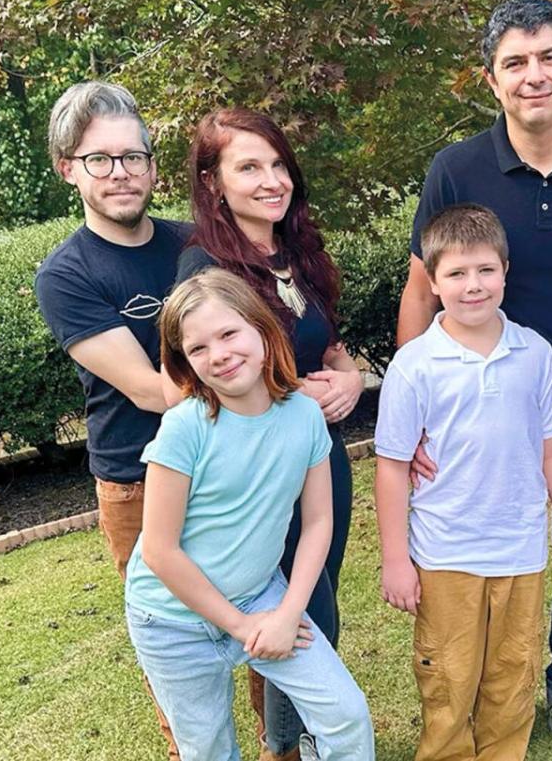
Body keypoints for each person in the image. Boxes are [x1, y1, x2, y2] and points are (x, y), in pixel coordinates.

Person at [396, 0, 552, 760]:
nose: (533, 76)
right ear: (492, 78)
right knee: (468, 568)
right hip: (472, 421)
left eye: (548, 59)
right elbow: (417, 288)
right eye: (515, 63)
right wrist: (416, 418)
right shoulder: (457, 169)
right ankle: (466, 703)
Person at [125, 267, 373, 761]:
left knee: (345, 715)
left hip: (264, 597)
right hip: (172, 623)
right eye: (197, 349)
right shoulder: (183, 430)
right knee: (209, 750)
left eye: (229, 333)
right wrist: (241, 628)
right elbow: (159, 550)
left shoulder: (304, 416)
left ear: (262, 329)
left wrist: (286, 614)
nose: (218, 354)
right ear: (185, 363)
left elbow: (318, 520)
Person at [376, 204, 552, 761]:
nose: (472, 286)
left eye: (484, 271)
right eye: (455, 273)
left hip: (520, 551)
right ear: (431, 280)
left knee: (513, 674)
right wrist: (396, 559)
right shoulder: (415, 365)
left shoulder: (535, 353)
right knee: (448, 677)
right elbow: (392, 466)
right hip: (445, 552)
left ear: (505, 270)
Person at [175, 108, 362, 761]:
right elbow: (194, 380)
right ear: (214, 183)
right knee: (307, 612)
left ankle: (293, 736)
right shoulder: (204, 267)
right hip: (260, 476)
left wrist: (352, 379)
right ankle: (292, 742)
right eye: (249, 167)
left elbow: (329, 348)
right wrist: (288, 393)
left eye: (278, 163)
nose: (272, 179)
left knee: (311, 601)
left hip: (324, 462)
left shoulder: (299, 254)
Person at [34, 80, 187, 760]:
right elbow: (154, 391)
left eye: (133, 156)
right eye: (100, 159)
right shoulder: (66, 274)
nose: (121, 172)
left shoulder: (197, 242)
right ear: (69, 168)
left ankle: (284, 750)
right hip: (138, 482)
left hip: (234, 464)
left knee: (267, 628)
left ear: (154, 164)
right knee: (175, 649)